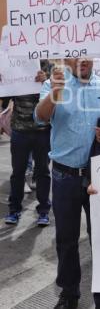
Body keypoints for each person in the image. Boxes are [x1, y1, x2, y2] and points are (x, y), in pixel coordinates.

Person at [35, 58, 100, 309]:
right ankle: (69, 292)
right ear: (67, 57)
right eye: (77, 54)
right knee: (66, 240)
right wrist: (55, 93)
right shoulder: (53, 84)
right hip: (64, 176)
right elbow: (40, 118)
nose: (82, 60)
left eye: (88, 54)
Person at [4, 68, 51, 226]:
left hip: (43, 132)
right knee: (18, 172)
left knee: (43, 171)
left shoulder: (49, 68)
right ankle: (14, 210)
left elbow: (57, 97)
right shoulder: (12, 70)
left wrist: (46, 81)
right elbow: (4, 99)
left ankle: (43, 211)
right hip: (20, 131)